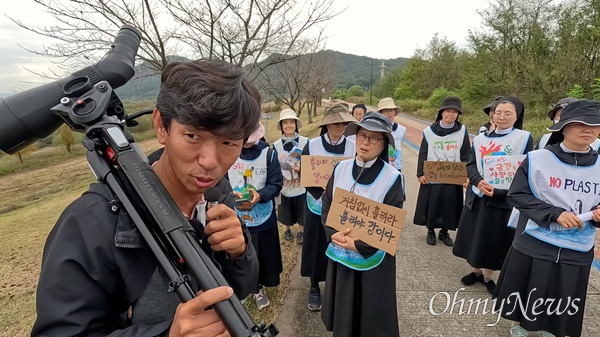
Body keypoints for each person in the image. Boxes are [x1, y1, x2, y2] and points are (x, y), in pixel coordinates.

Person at [31, 59, 260, 337]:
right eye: (192, 136)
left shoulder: (219, 194)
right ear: (161, 126)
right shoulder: (91, 222)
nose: (210, 162)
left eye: (228, 143)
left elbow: (242, 288)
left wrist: (239, 253)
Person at [494, 99, 600, 337]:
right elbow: (518, 194)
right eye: (580, 124)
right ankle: (520, 323)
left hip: (578, 245)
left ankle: (551, 328)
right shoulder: (537, 158)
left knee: (564, 289)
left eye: (595, 125)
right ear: (563, 127)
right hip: (536, 238)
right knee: (532, 284)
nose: (588, 129)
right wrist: (555, 214)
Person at [320, 112, 404, 337]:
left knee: (370, 315)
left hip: (371, 255)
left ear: (384, 143)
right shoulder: (341, 168)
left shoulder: (392, 177)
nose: (365, 142)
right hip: (340, 248)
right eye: (362, 135)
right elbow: (328, 204)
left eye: (373, 138)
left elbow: (391, 224)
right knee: (344, 307)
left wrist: (360, 245)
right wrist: (333, 234)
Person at [452, 96, 534, 294]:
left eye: (508, 113)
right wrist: (478, 180)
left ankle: (489, 276)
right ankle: (475, 271)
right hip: (478, 195)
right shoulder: (480, 139)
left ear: (516, 117)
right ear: (492, 115)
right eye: (498, 112)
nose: (502, 116)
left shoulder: (523, 138)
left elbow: (525, 168)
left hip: (503, 198)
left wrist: (500, 191)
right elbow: (471, 164)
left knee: (494, 237)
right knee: (476, 235)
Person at [301, 101, 356, 311]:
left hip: (343, 209)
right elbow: (306, 177)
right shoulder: (312, 145)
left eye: (343, 122)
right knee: (316, 247)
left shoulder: (353, 146)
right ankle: (314, 285)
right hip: (316, 206)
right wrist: (322, 194)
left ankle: (336, 287)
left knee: (340, 246)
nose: (339, 126)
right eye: (335, 123)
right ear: (326, 124)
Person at [227, 122, 283, 310]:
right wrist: (230, 195)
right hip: (236, 215)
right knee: (239, 253)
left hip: (263, 216)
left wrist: (260, 195)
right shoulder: (227, 153)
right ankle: (243, 288)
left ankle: (259, 289)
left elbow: (275, 184)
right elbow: (222, 182)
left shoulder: (269, 154)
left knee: (262, 253)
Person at [414, 96, 470, 246]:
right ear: (442, 112)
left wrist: (467, 175)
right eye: (448, 111)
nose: (451, 115)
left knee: (450, 204)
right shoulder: (429, 131)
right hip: (433, 174)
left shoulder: (462, 131)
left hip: (453, 174)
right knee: (433, 202)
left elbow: (465, 153)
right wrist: (420, 173)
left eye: (455, 112)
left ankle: (444, 232)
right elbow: (423, 153)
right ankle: (431, 230)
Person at [272, 109, 309, 244]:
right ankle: (287, 229)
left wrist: (302, 169)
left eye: (292, 122)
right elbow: (274, 166)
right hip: (284, 185)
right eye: (285, 123)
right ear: (281, 126)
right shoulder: (275, 145)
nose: (289, 125)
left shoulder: (306, 142)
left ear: (296, 124)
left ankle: (301, 231)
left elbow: (311, 163)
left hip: (301, 184)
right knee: (285, 208)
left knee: (302, 208)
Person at [378, 97, 407, 172]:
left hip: (396, 167)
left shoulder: (401, 129)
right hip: (379, 166)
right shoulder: (376, 129)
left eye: (391, 110)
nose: (389, 113)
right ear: (381, 113)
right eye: (386, 110)